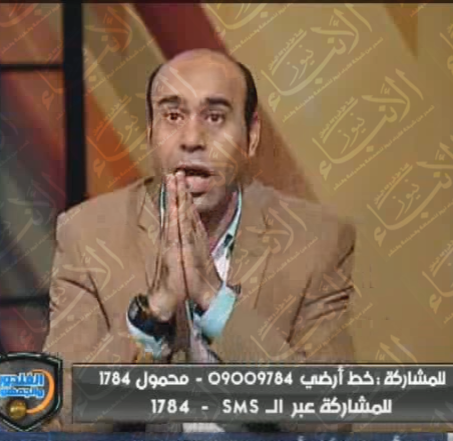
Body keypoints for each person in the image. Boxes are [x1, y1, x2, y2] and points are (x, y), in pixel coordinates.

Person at [42, 49, 357, 433]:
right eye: (173, 116)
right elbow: (61, 417)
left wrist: (214, 300)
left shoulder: (316, 239)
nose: (192, 139)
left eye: (215, 117)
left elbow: (329, 418)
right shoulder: (87, 234)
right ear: (151, 132)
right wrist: (154, 312)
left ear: (251, 136)